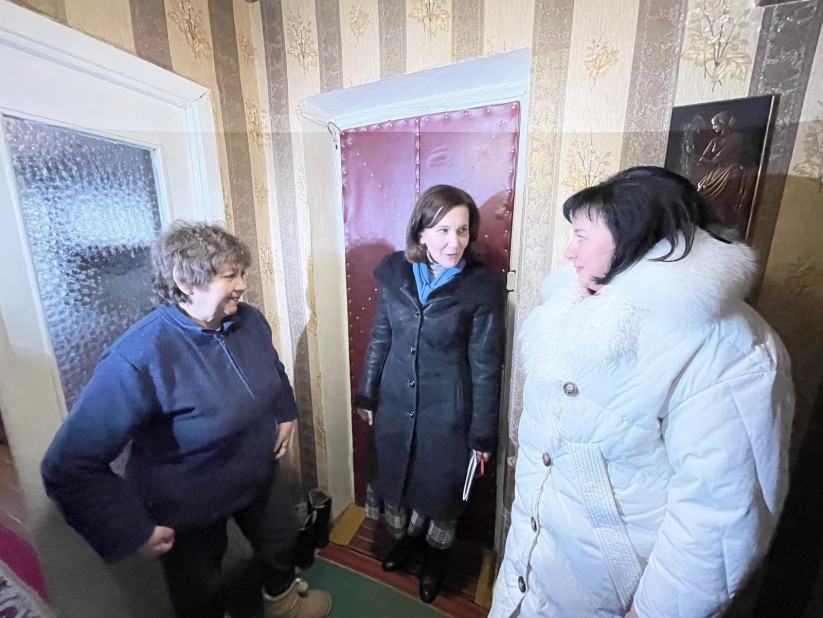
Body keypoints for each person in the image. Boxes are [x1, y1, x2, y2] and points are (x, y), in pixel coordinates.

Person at [490, 166, 794, 617]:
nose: (569, 251)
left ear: (633, 237)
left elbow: (718, 517)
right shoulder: (571, 309)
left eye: (581, 236)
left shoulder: (728, 349)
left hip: (616, 595)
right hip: (535, 569)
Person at [41, 221, 331, 618]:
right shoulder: (138, 357)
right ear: (185, 281)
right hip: (187, 502)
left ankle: (283, 605)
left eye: (242, 273)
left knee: (281, 540)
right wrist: (128, 528)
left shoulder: (249, 320)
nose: (243, 285)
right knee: (200, 591)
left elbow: (272, 369)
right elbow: (68, 464)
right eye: (230, 275)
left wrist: (284, 411)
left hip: (256, 472)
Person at [354, 184, 505, 603]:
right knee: (398, 481)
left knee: (438, 492)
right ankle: (405, 544)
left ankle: (436, 559)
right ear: (421, 233)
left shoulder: (480, 287)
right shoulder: (395, 274)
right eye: (443, 230)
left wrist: (482, 434)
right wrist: (366, 393)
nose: (454, 242)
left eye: (462, 230)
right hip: (394, 404)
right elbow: (380, 337)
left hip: (447, 414)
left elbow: (485, 364)